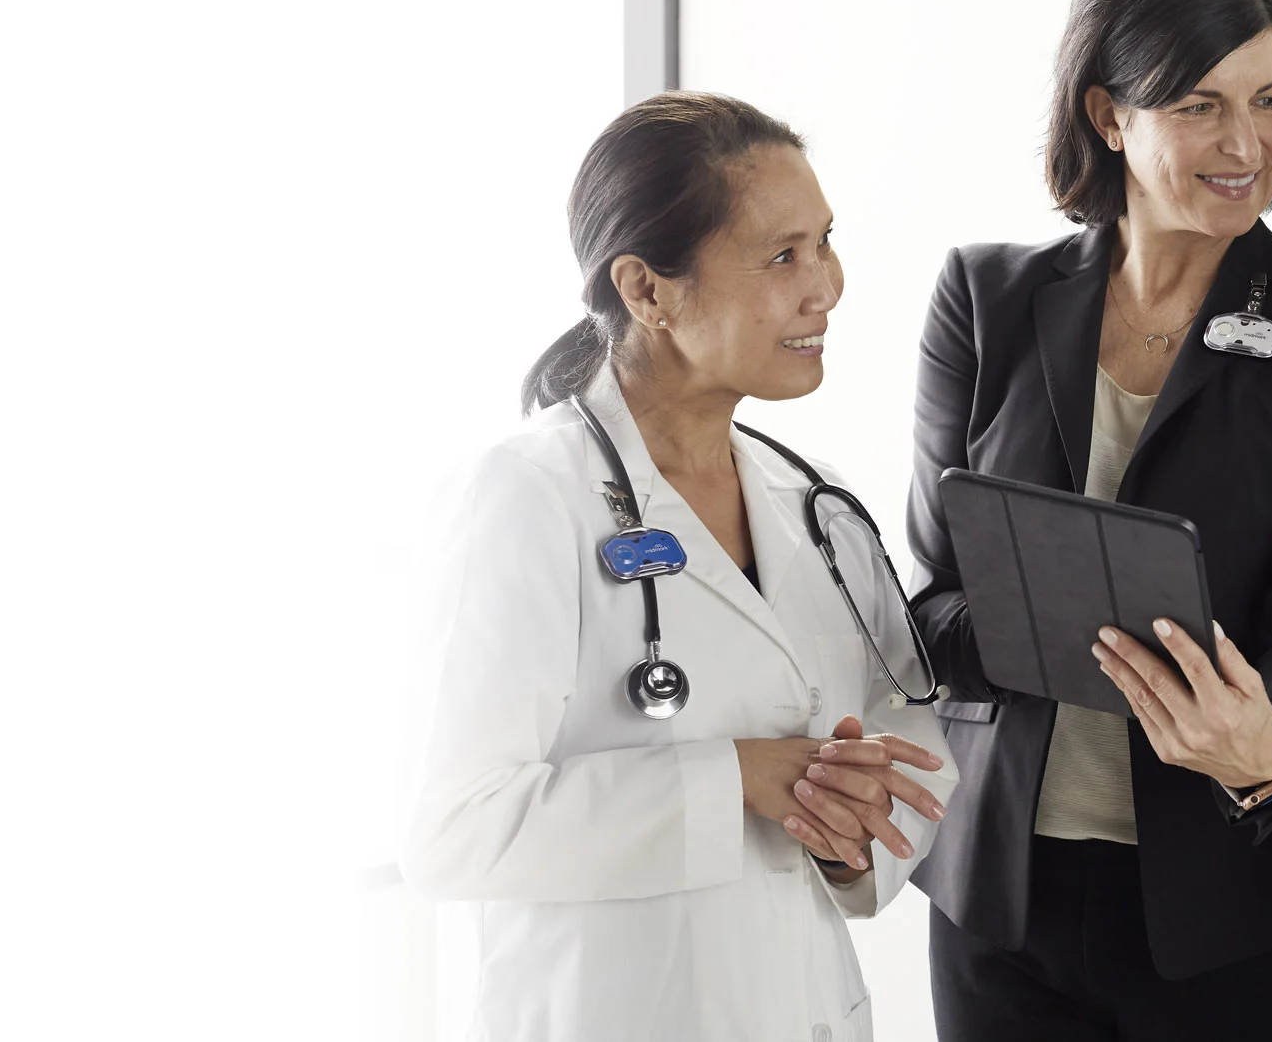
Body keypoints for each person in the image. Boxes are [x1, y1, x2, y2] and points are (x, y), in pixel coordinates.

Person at [905, 0, 1272, 1040]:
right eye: (1198, 105)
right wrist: (1077, 627)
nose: (1247, 142)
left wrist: (1267, 748)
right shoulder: (985, 296)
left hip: (1238, 904)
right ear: (1106, 115)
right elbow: (933, 603)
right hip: (1005, 903)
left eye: (1269, 98)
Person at [401, 90, 956, 1042]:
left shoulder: (816, 503)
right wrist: (731, 778)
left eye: (825, 242)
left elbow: (913, 738)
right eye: (783, 255)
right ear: (647, 289)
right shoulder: (529, 496)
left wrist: (852, 834)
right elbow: (457, 831)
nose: (827, 285)